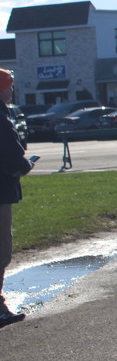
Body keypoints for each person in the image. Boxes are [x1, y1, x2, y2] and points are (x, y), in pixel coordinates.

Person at [0, 68, 35, 321]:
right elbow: (13, 158)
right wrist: (26, 165)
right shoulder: (2, 118)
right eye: (9, 85)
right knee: (2, 249)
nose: (11, 90)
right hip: (0, 192)